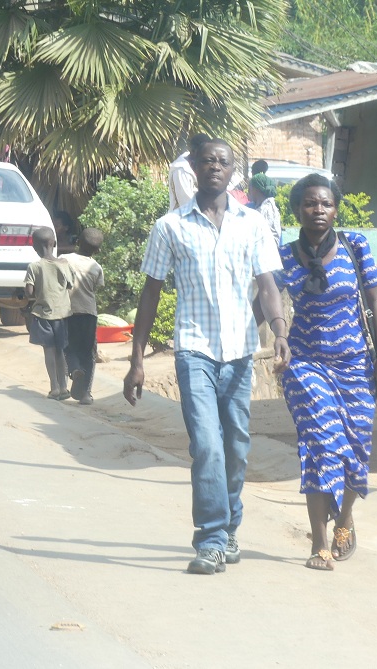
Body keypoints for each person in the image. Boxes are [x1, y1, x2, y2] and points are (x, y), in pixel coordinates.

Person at [123, 138, 290, 575]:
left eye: (224, 161)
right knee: (208, 447)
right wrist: (137, 359)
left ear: (234, 171)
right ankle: (212, 538)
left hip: (239, 352)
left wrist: (279, 330)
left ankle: (231, 524)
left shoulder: (252, 224)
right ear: (192, 168)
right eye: (207, 160)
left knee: (236, 446)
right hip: (193, 350)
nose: (215, 167)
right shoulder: (170, 227)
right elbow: (151, 292)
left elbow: (268, 285)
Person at [276, 172, 377, 571]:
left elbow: (375, 302)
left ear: (335, 208)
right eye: (310, 203)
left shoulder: (355, 245)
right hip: (305, 364)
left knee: (356, 448)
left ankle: (344, 516)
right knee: (319, 445)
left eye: (326, 203)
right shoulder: (282, 255)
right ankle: (318, 542)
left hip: (355, 365)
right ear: (297, 209)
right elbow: (265, 299)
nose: (318, 210)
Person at [25, 227, 73, 399]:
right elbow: (69, 285)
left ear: (34, 247)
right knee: (61, 351)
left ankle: (54, 387)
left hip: (43, 315)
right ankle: (64, 387)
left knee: (49, 351)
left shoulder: (34, 267)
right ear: (54, 243)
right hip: (63, 315)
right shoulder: (64, 264)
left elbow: (29, 292)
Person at [62, 228, 105, 405]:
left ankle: (74, 368)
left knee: (68, 346)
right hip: (88, 313)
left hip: (67, 311)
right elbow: (96, 288)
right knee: (89, 352)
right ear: (98, 250)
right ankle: (86, 393)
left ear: (77, 241)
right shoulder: (96, 267)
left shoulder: (65, 260)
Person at [167, 132, 210, 211]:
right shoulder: (180, 171)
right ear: (193, 151)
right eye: (203, 153)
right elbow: (186, 203)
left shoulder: (196, 164)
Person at [248, 172, 282, 247]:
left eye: (250, 189)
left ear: (257, 190)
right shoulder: (262, 206)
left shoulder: (266, 210)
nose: (248, 192)